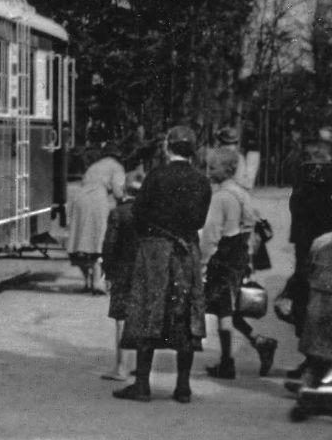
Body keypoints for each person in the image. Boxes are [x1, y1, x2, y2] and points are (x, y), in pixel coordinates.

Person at [114, 125, 212, 404]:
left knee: (149, 310)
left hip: (154, 252)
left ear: (168, 147)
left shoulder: (156, 177)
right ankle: (183, 387)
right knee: (186, 315)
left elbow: (138, 215)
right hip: (186, 251)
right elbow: (200, 221)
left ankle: (142, 385)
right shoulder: (201, 181)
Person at [200, 148, 278, 378]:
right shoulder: (241, 193)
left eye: (213, 167)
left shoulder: (221, 197)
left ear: (227, 170)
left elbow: (211, 234)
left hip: (223, 257)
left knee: (218, 307)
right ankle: (258, 343)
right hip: (239, 257)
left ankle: (228, 361)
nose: (208, 171)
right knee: (226, 307)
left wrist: (202, 262)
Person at [285, 136, 332, 378]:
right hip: (312, 251)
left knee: (311, 308)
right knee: (309, 307)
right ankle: (314, 363)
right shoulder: (306, 181)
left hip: (315, 253)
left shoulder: (307, 182)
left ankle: (316, 365)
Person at [100, 169, 143, 381]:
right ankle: (138, 365)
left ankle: (121, 368)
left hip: (123, 271)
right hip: (146, 270)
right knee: (143, 317)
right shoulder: (151, 213)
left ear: (125, 189)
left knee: (121, 320)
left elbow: (109, 246)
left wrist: (107, 272)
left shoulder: (118, 213)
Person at [67, 143, 126, 294]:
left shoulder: (94, 166)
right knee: (97, 243)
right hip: (96, 200)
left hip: (78, 199)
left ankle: (87, 281)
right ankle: (97, 283)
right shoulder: (116, 167)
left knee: (80, 242)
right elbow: (119, 192)